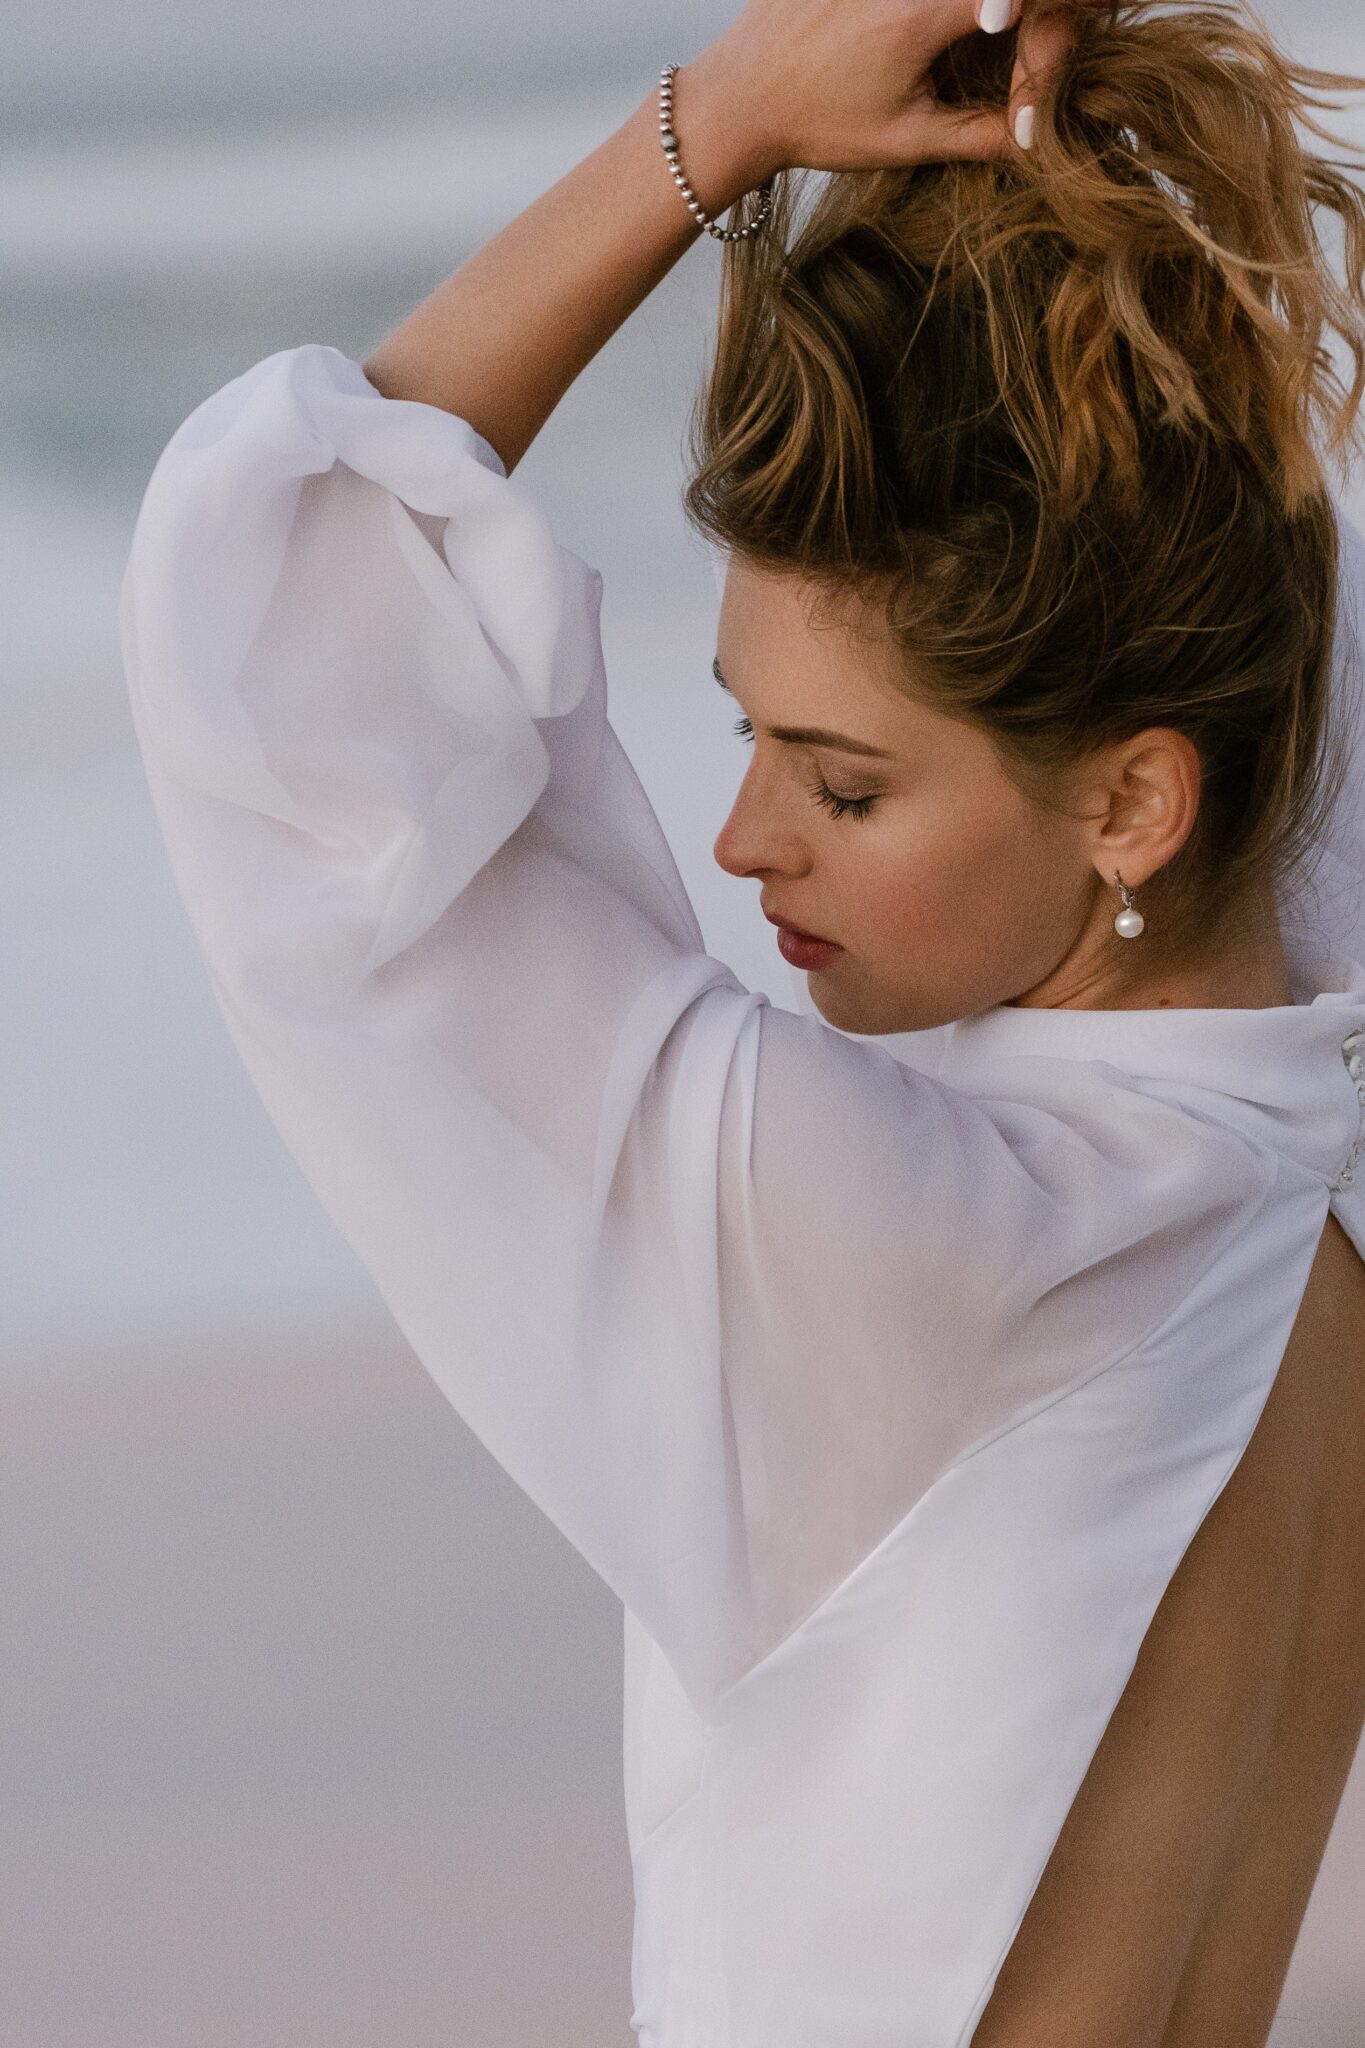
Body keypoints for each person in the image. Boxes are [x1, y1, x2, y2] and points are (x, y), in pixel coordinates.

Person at [118, 0, 1365, 2039]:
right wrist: (1074, 230)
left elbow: (280, 639)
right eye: (745, 733)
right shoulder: (1306, 1160)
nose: (742, 836)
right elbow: (1252, 591)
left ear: (1137, 796)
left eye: (843, 782)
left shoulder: (909, 1234)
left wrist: (718, 124)